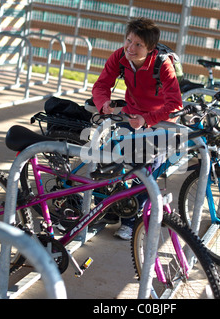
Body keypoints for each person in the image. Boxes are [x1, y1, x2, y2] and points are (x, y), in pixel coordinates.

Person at [91, 17, 183, 240]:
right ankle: (108, 209)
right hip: (130, 116)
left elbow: (176, 105)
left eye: (138, 44)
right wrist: (103, 102)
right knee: (107, 160)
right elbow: (102, 84)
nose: (131, 48)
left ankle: (131, 222)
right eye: (129, 41)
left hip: (158, 123)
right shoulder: (120, 56)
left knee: (145, 171)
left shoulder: (163, 65)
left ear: (150, 48)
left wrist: (147, 119)